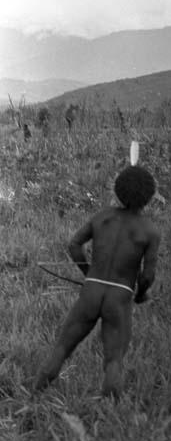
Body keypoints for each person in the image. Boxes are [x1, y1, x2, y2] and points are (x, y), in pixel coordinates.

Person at [34, 165, 161, 398]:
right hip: (119, 297)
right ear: (149, 196)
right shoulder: (149, 231)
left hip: (91, 292)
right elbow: (147, 276)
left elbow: (74, 245)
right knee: (114, 359)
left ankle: (32, 397)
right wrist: (141, 294)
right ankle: (109, 414)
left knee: (62, 348)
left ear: (119, 189)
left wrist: (89, 273)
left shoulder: (102, 217)